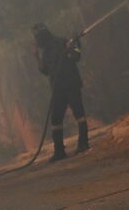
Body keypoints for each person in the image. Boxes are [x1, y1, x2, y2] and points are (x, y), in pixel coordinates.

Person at [32, 22, 88, 161]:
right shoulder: (45, 52)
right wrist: (36, 56)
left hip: (71, 85)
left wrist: (73, 46)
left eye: (37, 38)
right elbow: (45, 71)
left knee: (79, 114)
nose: (36, 42)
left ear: (42, 37)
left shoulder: (63, 42)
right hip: (58, 89)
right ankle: (59, 152)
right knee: (56, 119)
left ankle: (83, 144)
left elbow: (76, 57)